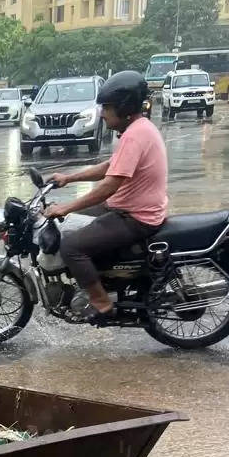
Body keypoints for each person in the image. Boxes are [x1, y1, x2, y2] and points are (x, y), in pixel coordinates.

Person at [43, 70, 167, 323]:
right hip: (127, 208)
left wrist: (66, 207)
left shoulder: (135, 135)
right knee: (75, 223)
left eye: (106, 108)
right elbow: (109, 168)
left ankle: (101, 303)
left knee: (72, 246)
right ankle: (102, 279)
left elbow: (109, 185)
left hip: (136, 217)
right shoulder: (138, 130)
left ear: (123, 107)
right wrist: (69, 178)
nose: (102, 113)